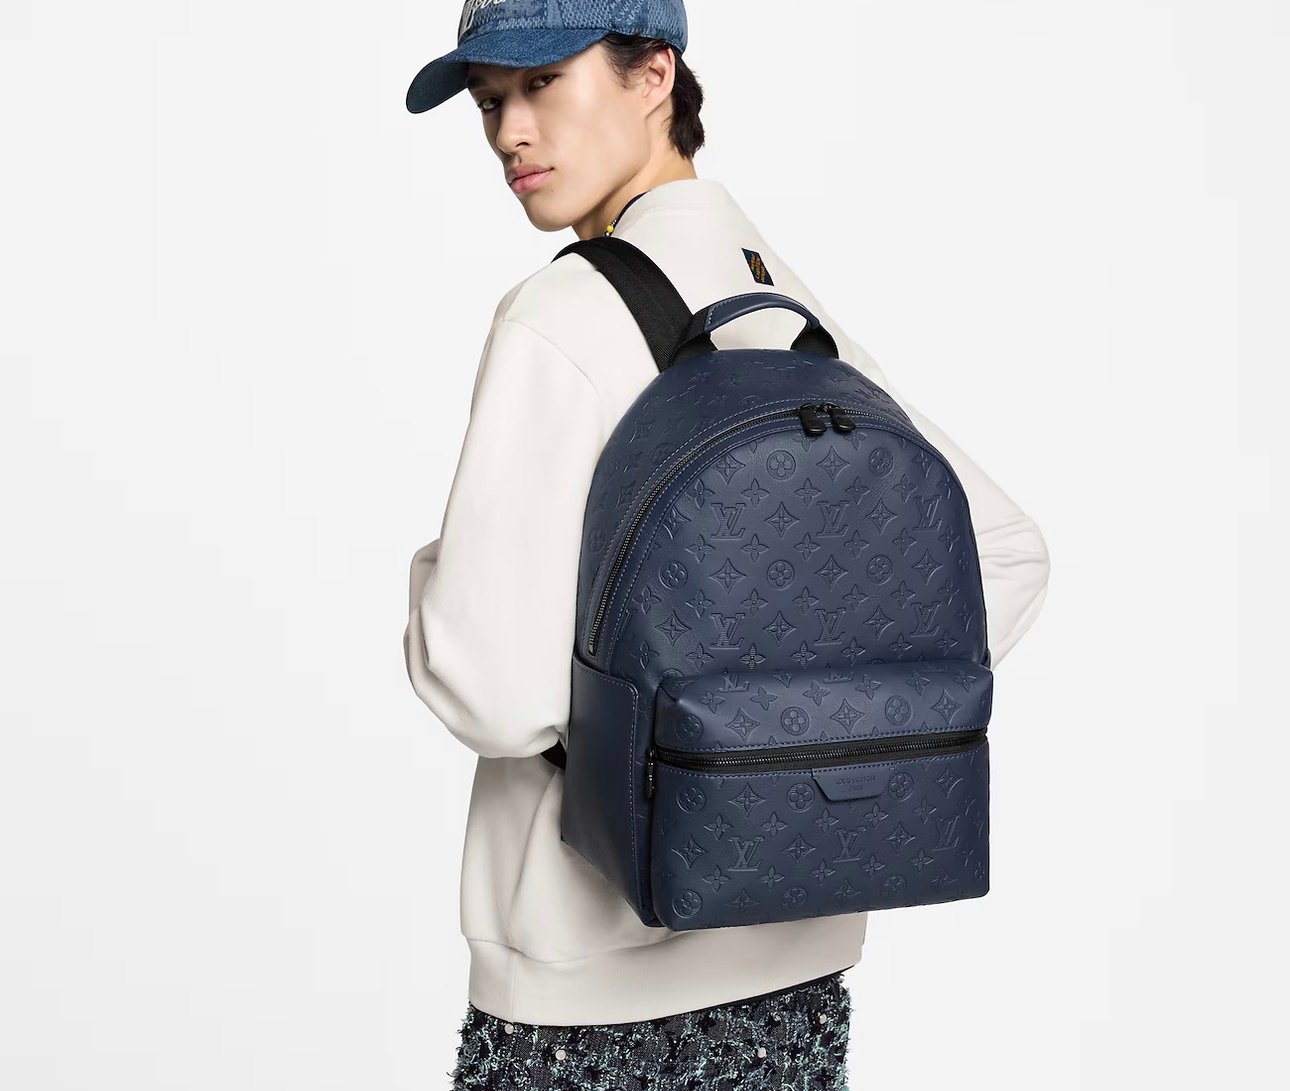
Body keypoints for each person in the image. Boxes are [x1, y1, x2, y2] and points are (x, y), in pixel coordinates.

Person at [402, 3, 1051, 1088]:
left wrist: (439, 571)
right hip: (797, 964)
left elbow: (492, 689)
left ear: (654, 74)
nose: (511, 131)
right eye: (489, 102)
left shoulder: (557, 316)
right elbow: (1004, 553)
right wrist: (796, 713)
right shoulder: (781, 302)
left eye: (543, 82)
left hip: (586, 988)